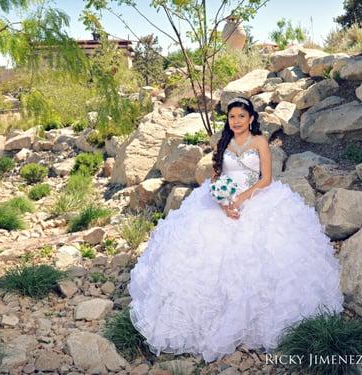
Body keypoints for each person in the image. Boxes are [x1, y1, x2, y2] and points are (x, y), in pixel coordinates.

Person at [128, 96, 344, 363]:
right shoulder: (225, 143)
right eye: (232, 117)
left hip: (258, 198)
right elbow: (217, 178)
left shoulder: (260, 142)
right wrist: (221, 202)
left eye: (242, 116)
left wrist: (241, 199)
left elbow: (266, 178)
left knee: (263, 252)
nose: (237, 121)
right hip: (224, 200)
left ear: (251, 118)